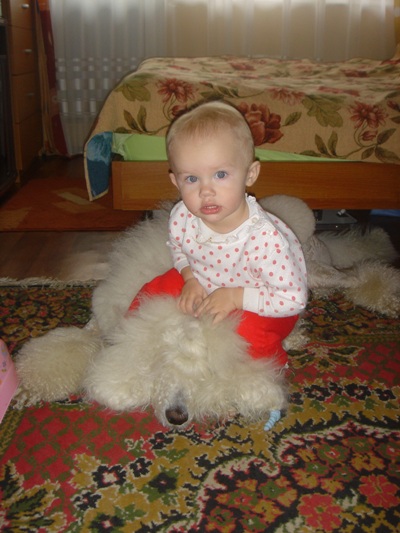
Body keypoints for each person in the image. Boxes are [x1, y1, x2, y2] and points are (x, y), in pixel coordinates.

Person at [129, 101, 308, 367]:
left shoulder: (266, 241)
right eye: (191, 179)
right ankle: (131, 343)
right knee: (153, 292)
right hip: (203, 280)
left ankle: (263, 373)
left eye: (220, 174)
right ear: (176, 181)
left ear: (250, 174)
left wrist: (235, 297)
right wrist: (190, 278)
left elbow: (292, 300)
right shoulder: (183, 215)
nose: (206, 191)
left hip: (261, 298)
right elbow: (179, 248)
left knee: (249, 336)